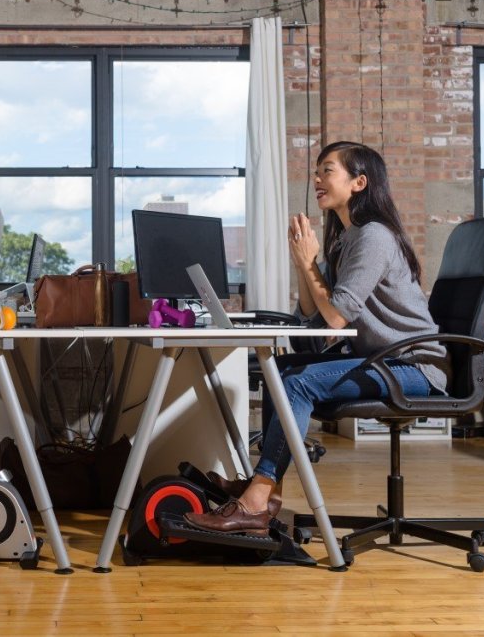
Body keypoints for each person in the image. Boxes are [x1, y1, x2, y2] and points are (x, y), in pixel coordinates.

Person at [186, 141, 451, 534]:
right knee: (280, 371)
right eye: (317, 171)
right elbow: (312, 316)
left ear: (359, 182)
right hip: (383, 360)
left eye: (327, 170)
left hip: (413, 367)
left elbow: (336, 315)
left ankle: (257, 498)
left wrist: (311, 263)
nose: (316, 179)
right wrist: (303, 264)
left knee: (298, 383)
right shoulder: (347, 239)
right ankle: (268, 491)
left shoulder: (374, 236)